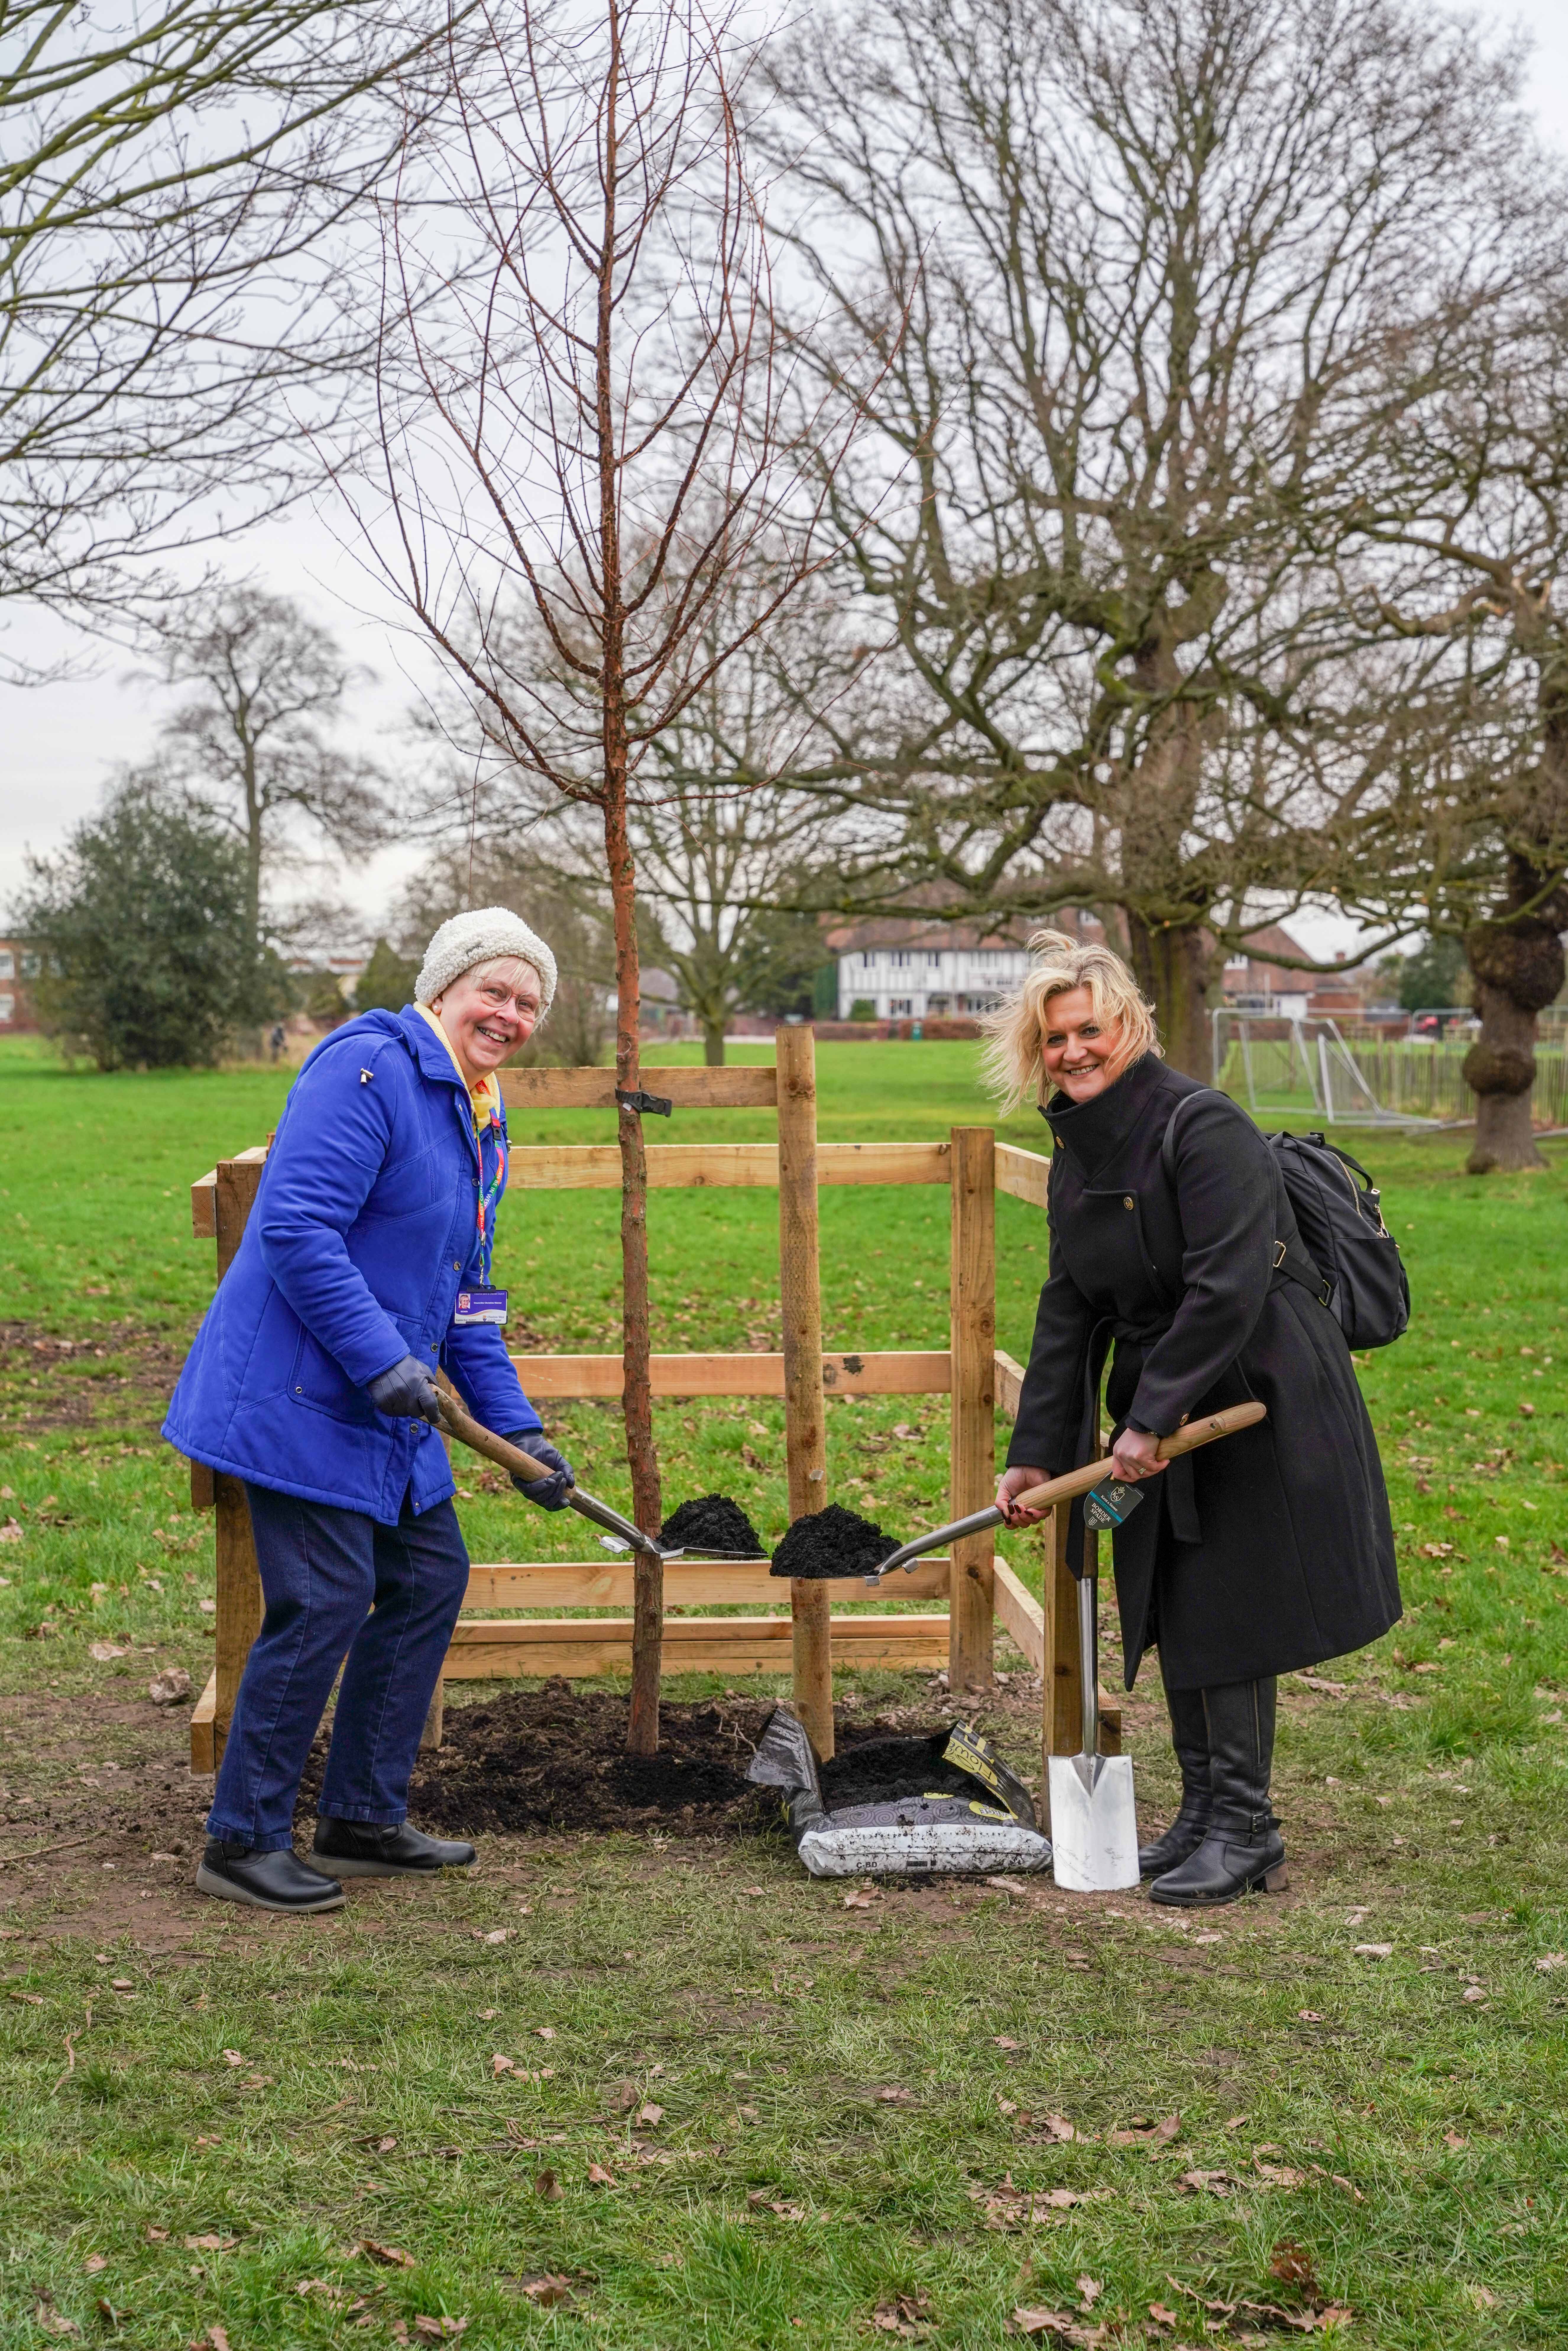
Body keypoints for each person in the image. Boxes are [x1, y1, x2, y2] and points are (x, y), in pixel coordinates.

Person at [164, 908, 575, 1915]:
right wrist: (382, 1359)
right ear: (445, 987)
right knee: (326, 1600)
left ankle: (359, 1818)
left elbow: (467, 1295)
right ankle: (243, 1839)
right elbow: (299, 1229)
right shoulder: (370, 1067)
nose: (510, 1014)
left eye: (529, 1003)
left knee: (432, 1574)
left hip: (388, 1404)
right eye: (495, 990)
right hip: (299, 1391)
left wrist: (519, 1433)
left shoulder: (483, 1113)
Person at [988, 933, 1399, 1907]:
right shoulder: (1077, 1149)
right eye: (1055, 1038)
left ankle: (1246, 1828)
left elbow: (1226, 1286)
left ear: (1128, 1024)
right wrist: (1035, 1456)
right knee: (1177, 1595)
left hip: (1259, 1388)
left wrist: (1149, 1416)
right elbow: (1069, 1305)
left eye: (1090, 1029)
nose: (1074, 1051)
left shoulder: (1200, 1124)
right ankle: (1207, 1813)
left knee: (1233, 1599)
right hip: (1171, 1394)